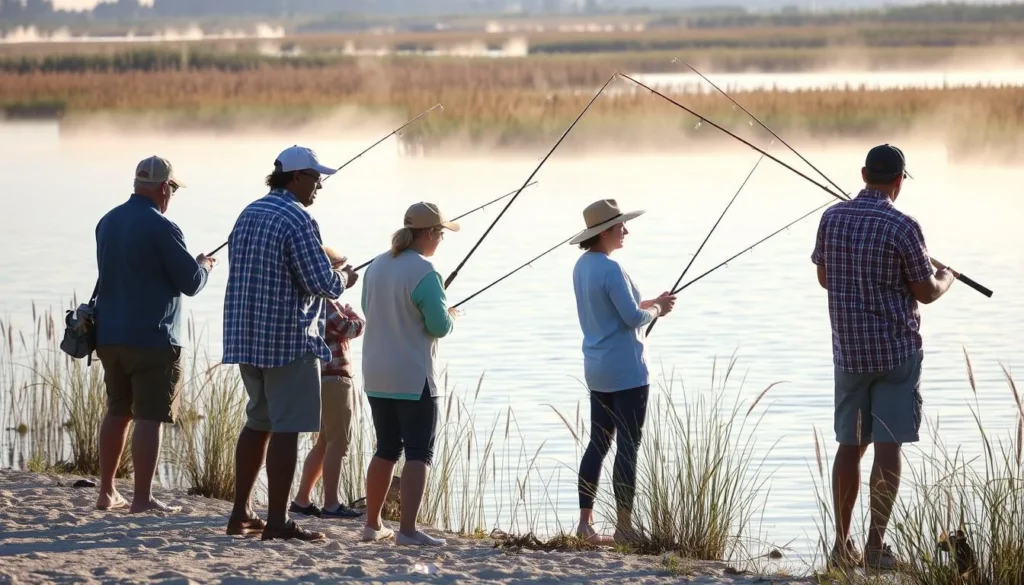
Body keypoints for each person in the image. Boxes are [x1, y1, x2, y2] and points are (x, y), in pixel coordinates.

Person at [811, 144, 957, 570]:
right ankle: (875, 546)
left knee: (849, 445)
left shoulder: (832, 217)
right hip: (895, 354)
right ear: (898, 181)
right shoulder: (904, 226)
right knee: (888, 445)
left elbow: (824, 277)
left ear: (863, 174)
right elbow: (926, 292)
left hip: (849, 353)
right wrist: (947, 276)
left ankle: (842, 546)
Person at [222, 145, 359, 541]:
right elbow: (321, 282)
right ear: (297, 177)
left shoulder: (249, 212)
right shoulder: (300, 220)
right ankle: (278, 521)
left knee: (257, 421)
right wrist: (346, 279)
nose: (319, 186)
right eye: (316, 178)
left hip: (245, 335)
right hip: (287, 339)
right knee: (287, 427)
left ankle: (241, 514)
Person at [93, 155, 216, 513]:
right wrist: (204, 265)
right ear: (164, 187)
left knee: (117, 411)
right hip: (152, 337)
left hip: (110, 335)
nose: (172, 195)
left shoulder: (107, 221)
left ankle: (106, 492)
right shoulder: (164, 227)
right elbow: (191, 283)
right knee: (148, 416)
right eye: (173, 189)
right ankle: (142, 499)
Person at [569, 199, 676, 544]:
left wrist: (649, 305)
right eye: (620, 226)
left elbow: (620, 311)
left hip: (598, 369)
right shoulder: (612, 270)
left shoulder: (583, 266)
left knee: (598, 443)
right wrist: (658, 309)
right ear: (604, 232)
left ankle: (585, 525)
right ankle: (624, 528)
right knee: (628, 445)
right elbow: (631, 319)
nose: (625, 230)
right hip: (628, 372)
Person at [359, 202, 460, 547]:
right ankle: (408, 530)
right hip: (413, 377)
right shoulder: (426, 272)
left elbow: (366, 307)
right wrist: (451, 315)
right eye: (441, 234)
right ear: (430, 233)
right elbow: (439, 326)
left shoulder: (377, 265)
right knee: (419, 453)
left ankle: (372, 524)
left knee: (385, 448)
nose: (441, 240)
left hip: (375, 373)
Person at [290, 246, 365, 520]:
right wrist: (353, 314)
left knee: (323, 442)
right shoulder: (327, 301)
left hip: (319, 378)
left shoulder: (308, 299)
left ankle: (302, 499)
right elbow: (349, 328)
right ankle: (331, 503)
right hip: (335, 379)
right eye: (339, 267)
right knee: (339, 442)